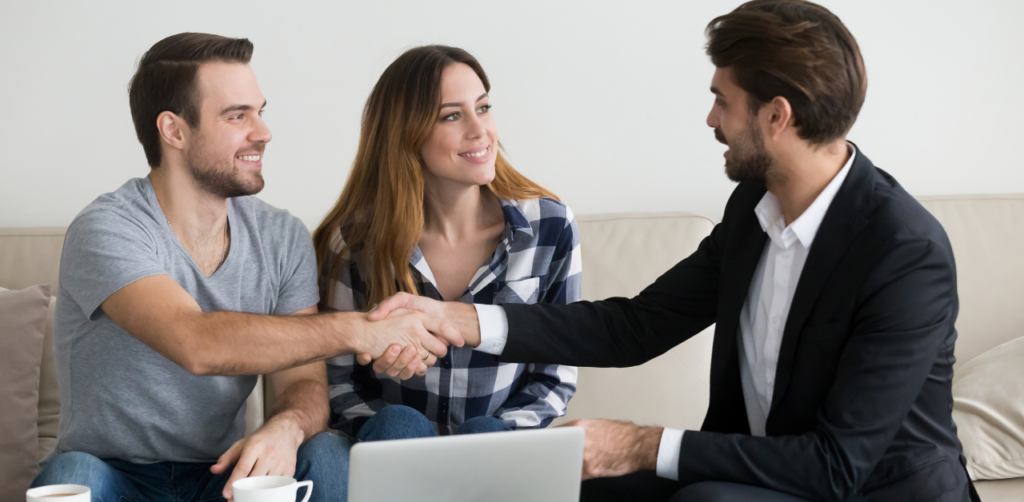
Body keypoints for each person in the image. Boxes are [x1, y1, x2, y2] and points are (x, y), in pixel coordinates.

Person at [366, 1, 978, 501]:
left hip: (870, 490)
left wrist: (638, 443)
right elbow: (633, 327)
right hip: (760, 472)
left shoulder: (904, 252)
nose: (710, 118)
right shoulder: (753, 212)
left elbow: (837, 463)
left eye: (723, 99)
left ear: (776, 115)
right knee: (574, 488)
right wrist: (462, 320)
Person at [31, 33, 461, 502]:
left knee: (328, 454)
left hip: (223, 477)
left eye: (260, 111)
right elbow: (195, 342)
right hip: (114, 478)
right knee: (73, 474)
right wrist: (361, 330)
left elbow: (302, 382)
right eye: (238, 116)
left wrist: (286, 427)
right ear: (174, 130)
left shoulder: (280, 236)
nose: (263, 132)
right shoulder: (107, 228)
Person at [314, 45, 581, 442]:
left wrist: (497, 437)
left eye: (483, 107)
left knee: (486, 435)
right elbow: (339, 382)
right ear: (407, 134)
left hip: (494, 455)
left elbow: (554, 376)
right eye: (452, 116)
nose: (480, 130)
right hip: (394, 454)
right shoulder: (353, 243)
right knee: (397, 425)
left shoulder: (550, 227)